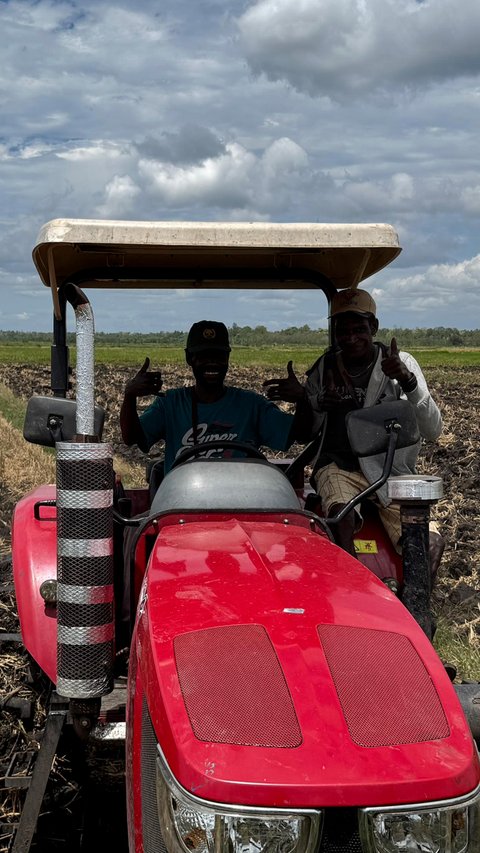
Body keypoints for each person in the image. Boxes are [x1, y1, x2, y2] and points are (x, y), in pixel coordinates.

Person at [263, 288, 444, 569]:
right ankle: (351, 587)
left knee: (429, 544)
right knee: (340, 517)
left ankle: (416, 607)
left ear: (373, 327)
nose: (351, 338)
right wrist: (310, 401)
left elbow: (433, 429)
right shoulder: (324, 368)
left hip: (390, 473)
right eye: (342, 331)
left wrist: (408, 381)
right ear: (334, 332)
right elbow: (306, 433)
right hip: (339, 467)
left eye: (359, 329)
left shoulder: (401, 364)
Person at [121, 320, 304, 471]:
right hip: (184, 500)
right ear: (189, 358)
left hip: (240, 499)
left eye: (218, 356)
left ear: (227, 359)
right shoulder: (170, 404)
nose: (212, 363)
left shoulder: (251, 405)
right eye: (203, 356)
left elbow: (300, 434)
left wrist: (303, 399)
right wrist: (129, 397)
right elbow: (131, 438)